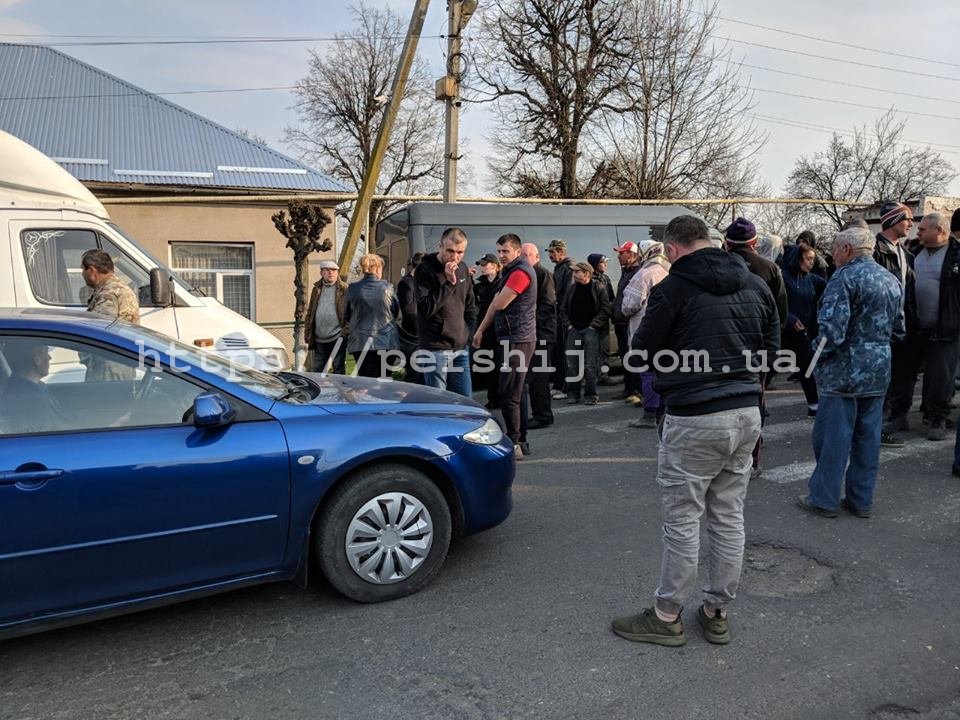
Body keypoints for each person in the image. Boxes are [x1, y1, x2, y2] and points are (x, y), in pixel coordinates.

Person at [611, 215, 779, 648]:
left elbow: (640, 353)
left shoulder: (673, 289)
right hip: (746, 412)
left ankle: (667, 615)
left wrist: (680, 367)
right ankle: (716, 611)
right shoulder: (756, 284)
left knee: (683, 519)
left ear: (672, 248)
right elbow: (773, 351)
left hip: (694, 416)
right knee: (728, 515)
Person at [797, 227, 903, 519]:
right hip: (878, 368)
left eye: (835, 248)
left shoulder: (843, 278)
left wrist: (813, 357)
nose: (832, 255)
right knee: (868, 439)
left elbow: (832, 333)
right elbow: (899, 328)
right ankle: (860, 500)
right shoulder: (890, 279)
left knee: (833, 438)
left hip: (844, 372)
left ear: (846, 249)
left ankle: (824, 498)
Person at [884, 212, 960, 442]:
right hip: (913, 327)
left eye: (923, 229)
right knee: (903, 375)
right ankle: (899, 416)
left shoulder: (956, 255)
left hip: (944, 329)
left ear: (940, 231)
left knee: (940, 379)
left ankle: (937, 419)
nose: (917, 232)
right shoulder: (912, 252)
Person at [724, 217, 788, 477]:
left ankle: (722, 455)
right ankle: (751, 460)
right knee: (753, 404)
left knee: (722, 402)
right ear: (754, 243)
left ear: (727, 243)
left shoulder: (716, 265)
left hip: (720, 346)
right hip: (756, 349)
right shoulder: (770, 269)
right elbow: (780, 315)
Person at [472, 234, 537, 460]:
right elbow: (495, 303)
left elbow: (499, 303)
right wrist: (480, 330)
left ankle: (515, 442)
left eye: (505, 251)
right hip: (513, 336)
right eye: (499, 251)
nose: (501, 255)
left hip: (518, 338)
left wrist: (498, 296)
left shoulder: (520, 273)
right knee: (516, 391)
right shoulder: (510, 272)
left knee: (510, 393)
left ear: (517, 252)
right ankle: (521, 440)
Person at [414, 228, 477, 397]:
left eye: (460, 252)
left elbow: (470, 307)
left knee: (465, 400)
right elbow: (425, 309)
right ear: (440, 246)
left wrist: (468, 336)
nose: (455, 257)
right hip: (435, 348)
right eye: (450, 251)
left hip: (460, 347)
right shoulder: (424, 270)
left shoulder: (463, 268)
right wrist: (449, 283)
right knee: (439, 401)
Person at [876, 202, 919, 445]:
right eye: (907, 219)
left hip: (902, 328)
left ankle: (892, 420)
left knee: (899, 379)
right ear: (893, 220)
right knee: (881, 382)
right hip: (880, 329)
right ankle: (876, 429)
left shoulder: (906, 254)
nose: (911, 224)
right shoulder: (874, 251)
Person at [620, 240, 670, 428]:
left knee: (647, 373)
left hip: (643, 329)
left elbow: (629, 306)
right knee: (662, 371)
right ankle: (662, 412)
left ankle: (650, 414)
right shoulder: (667, 272)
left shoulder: (644, 274)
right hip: (665, 331)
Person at [781, 243, 826, 416]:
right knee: (769, 368)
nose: (811, 263)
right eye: (808, 259)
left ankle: (814, 405)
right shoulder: (783, 278)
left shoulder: (812, 279)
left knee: (806, 366)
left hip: (802, 333)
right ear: (798, 259)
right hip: (783, 332)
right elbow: (777, 303)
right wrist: (790, 319)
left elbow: (830, 287)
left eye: (813, 259)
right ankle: (758, 403)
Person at [81, 248, 140, 381]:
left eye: (83, 270)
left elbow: (99, 332)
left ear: (92, 270)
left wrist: (86, 357)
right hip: (120, 365)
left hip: (108, 369)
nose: (82, 274)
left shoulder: (107, 294)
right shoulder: (119, 288)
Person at [344, 254, 400, 378]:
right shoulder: (388, 288)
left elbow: (347, 315)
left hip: (360, 341)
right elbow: (395, 311)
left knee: (367, 381)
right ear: (378, 268)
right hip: (387, 340)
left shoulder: (352, 289)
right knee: (385, 379)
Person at [521, 243, 557, 433]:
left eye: (528, 255)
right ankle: (539, 413)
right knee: (533, 377)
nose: (524, 258)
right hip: (532, 333)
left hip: (542, 334)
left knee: (538, 377)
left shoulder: (542, 275)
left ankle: (543, 415)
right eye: (522, 254)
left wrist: (529, 322)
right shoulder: (526, 273)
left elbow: (547, 305)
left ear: (536, 257)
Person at [563, 261, 610, 406]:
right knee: (572, 364)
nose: (574, 274)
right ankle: (573, 393)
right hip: (574, 330)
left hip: (591, 331)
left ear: (586, 273)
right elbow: (563, 308)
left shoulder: (598, 287)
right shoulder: (571, 289)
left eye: (577, 271)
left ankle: (591, 395)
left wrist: (593, 325)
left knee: (590, 364)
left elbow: (605, 309)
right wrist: (568, 325)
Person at [0, 340, 68, 434]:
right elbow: (52, 432)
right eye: (46, 351)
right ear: (37, 360)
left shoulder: (24, 388)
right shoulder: (30, 400)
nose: (50, 357)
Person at [612, 242, 643, 405]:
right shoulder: (626, 271)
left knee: (633, 357)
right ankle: (629, 388)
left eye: (621, 253)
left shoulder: (639, 273)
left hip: (630, 321)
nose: (618, 256)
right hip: (620, 322)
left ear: (631, 254)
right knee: (624, 356)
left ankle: (637, 390)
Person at [305, 260, 348, 374]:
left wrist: (344, 333)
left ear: (337, 273)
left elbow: (351, 313)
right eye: (327, 270)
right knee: (317, 370)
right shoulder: (317, 289)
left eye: (334, 270)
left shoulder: (344, 289)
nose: (331, 273)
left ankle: (339, 387)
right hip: (319, 338)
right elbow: (310, 312)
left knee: (338, 369)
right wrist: (307, 332)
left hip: (337, 336)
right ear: (321, 273)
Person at [547, 239, 575, 399]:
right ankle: (558, 384)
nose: (550, 255)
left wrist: (565, 317)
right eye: (549, 252)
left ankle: (565, 387)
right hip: (556, 316)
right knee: (557, 353)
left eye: (553, 252)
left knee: (565, 354)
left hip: (563, 317)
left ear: (561, 252)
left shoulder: (568, 268)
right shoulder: (558, 268)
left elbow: (569, 295)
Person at [473, 253, 502, 408]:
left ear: (495, 266)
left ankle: (503, 397)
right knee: (489, 365)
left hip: (500, 329)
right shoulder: (479, 286)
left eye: (485, 264)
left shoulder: (503, 283)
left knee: (502, 365)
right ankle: (493, 398)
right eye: (481, 265)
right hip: (485, 330)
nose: (482, 268)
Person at [396, 252, 425, 384]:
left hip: (421, 334)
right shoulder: (406, 283)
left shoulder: (421, 282)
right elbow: (409, 311)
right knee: (414, 372)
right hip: (413, 335)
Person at [588, 252, 615, 385]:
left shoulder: (606, 278)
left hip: (603, 319)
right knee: (590, 350)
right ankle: (590, 378)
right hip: (591, 320)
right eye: (603, 262)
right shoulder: (589, 279)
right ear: (595, 264)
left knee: (604, 349)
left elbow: (611, 298)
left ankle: (603, 375)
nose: (606, 264)